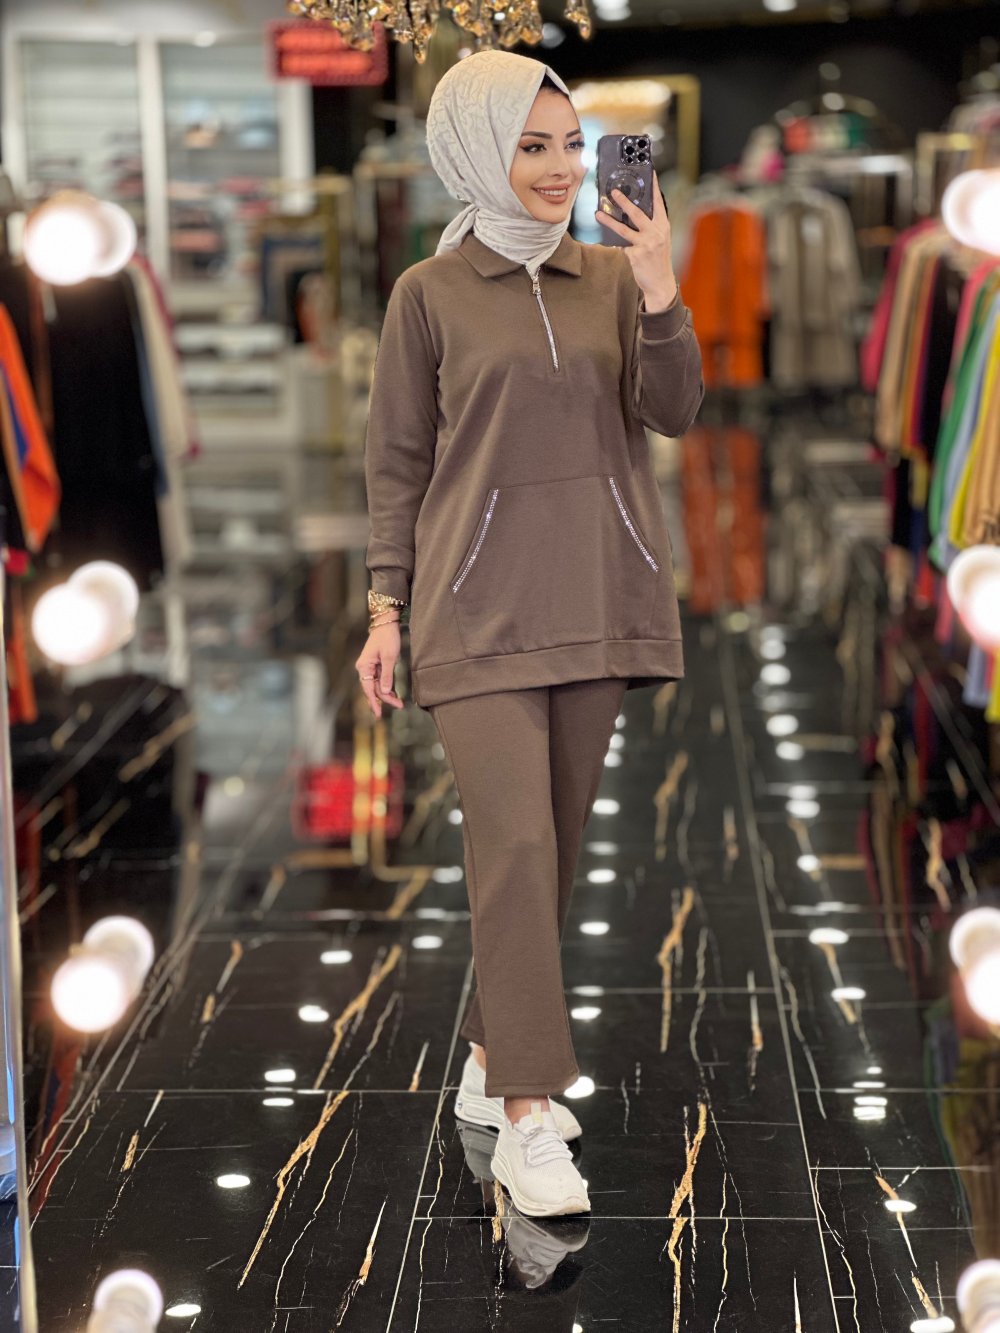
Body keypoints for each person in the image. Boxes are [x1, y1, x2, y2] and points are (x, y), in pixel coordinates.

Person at [356, 49, 704, 1218]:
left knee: (546, 857)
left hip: (595, 598)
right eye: (531, 146)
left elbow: (674, 410)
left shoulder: (608, 277)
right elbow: (397, 463)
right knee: (509, 847)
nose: (559, 169)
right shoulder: (426, 294)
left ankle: (489, 1053)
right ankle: (526, 1114)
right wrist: (384, 606)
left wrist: (657, 283)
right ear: (472, 151)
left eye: (570, 146)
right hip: (472, 606)